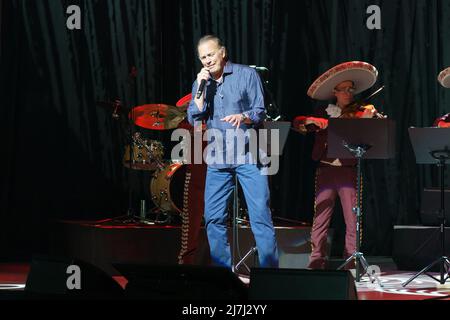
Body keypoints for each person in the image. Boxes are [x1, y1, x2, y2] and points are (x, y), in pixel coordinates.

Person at [187, 35, 278, 269]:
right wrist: (200, 88)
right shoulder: (202, 83)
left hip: (249, 156)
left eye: (211, 54)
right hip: (218, 158)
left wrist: (243, 116)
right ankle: (223, 276)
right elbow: (193, 117)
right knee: (213, 218)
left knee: (260, 216)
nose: (207, 60)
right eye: (203, 57)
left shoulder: (247, 74)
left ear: (223, 52)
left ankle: (270, 276)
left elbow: (259, 111)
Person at [293, 61, 380, 270]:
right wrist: (318, 122)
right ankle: (316, 260)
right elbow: (298, 122)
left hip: (349, 171)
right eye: (345, 89)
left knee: (352, 217)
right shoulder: (324, 112)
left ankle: (352, 260)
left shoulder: (361, 111)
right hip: (326, 170)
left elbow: (376, 128)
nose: (349, 93)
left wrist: (373, 118)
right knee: (321, 217)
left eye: (351, 89)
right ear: (335, 91)